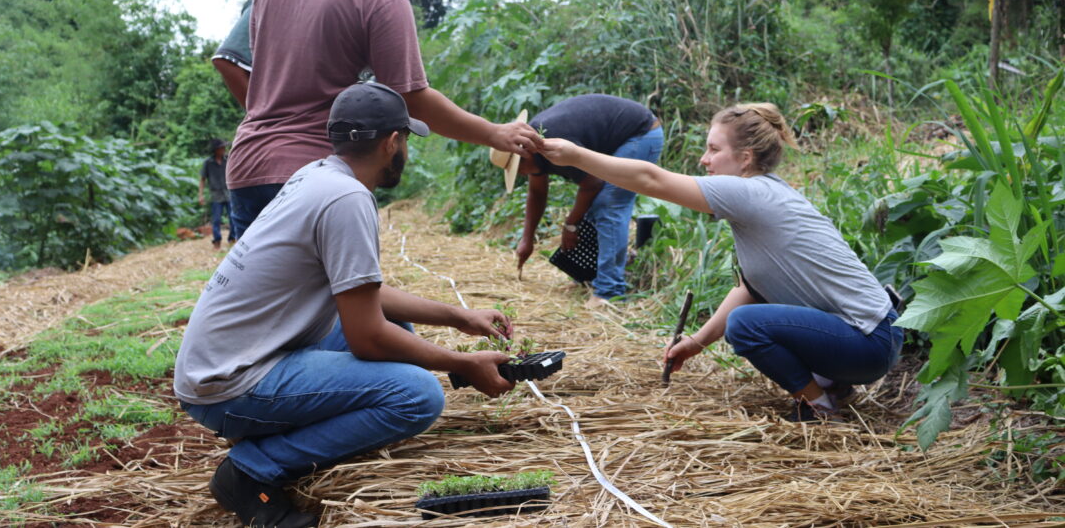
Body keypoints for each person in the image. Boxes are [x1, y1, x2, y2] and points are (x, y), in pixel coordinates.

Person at [174, 82, 516, 528]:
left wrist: (458, 317)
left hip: (227, 360)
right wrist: (461, 363)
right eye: (406, 140)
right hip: (229, 384)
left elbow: (364, 296)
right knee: (417, 396)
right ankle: (251, 470)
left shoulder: (318, 176)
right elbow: (368, 337)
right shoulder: (348, 199)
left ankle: (282, 430)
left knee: (395, 327)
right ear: (392, 142)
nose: (405, 151)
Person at [539, 103, 903, 422]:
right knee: (749, 314)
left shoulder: (748, 191)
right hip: (875, 336)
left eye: (713, 149)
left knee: (745, 326)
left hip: (868, 341)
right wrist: (696, 343)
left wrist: (577, 156)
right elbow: (748, 289)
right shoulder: (767, 194)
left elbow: (650, 178)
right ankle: (833, 385)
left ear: (744, 158)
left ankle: (820, 405)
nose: (704, 159)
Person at [226, 0, 541, 240]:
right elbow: (411, 98)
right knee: (335, 297)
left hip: (247, 167)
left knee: (261, 295)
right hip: (316, 177)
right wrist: (494, 133)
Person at [492, 95, 663, 306]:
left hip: (641, 134)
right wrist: (527, 239)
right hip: (617, 138)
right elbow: (536, 194)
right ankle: (590, 277)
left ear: (524, 156)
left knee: (608, 204)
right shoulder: (533, 145)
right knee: (592, 206)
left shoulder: (555, 144)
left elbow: (592, 183)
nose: (520, 174)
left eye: (518, 169)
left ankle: (609, 293)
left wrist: (570, 225)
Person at [198, 138, 233, 249]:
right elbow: (202, 179)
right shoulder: (208, 163)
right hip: (216, 195)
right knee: (216, 219)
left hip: (229, 193)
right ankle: (217, 240)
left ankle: (232, 238)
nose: (224, 149)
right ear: (216, 150)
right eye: (221, 148)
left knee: (233, 217)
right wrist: (201, 195)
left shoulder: (228, 160)